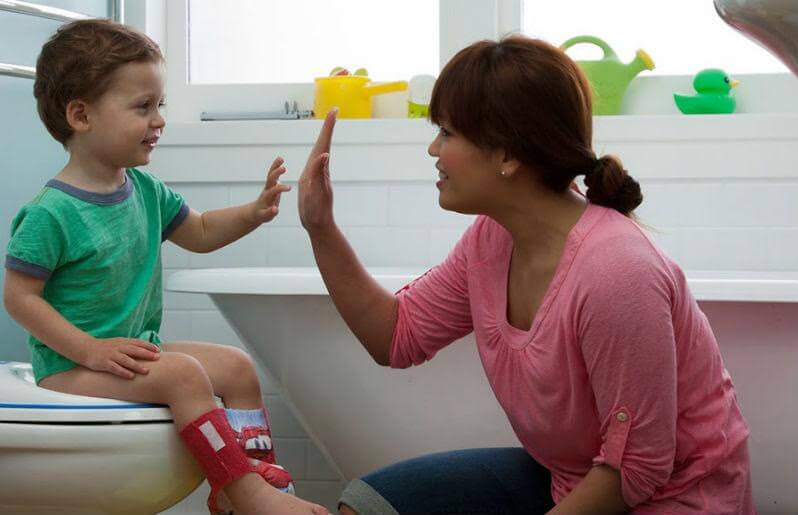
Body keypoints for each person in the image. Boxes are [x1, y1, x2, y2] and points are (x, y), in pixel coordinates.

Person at [298, 36, 754, 514]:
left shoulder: (617, 272)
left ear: (507, 155)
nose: (433, 148)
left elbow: (637, 467)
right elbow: (395, 335)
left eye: (448, 133)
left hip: (676, 499)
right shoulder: (492, 240)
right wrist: (320, 227)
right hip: (568, 480)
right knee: (364, 507)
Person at [2, 19, 328, 515]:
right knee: (183, 376)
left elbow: (198, 232)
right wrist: (89, 351)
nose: (158, 120)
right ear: (81, 115)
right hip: (71, 368)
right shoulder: (52, 212)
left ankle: (252, 482)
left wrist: (252, 212)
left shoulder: (145, 190)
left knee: (235, 367)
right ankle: (245, 492)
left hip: (134, 352)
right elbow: (18, 296)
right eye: (142, 107)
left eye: (161, 105)